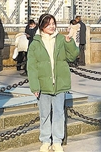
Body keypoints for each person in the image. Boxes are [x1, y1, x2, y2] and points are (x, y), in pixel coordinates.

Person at [27, 13, 79, 152]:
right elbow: (31, 67)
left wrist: (69, 43)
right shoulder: (35, 43)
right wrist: (34, 86)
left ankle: (57, 141)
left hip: (59, 84)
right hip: (43, 85)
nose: (51, 26)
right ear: (41, 26)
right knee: (44, 114)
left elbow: (73, 56)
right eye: (48, 24)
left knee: (59, 113)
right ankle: (45, 140)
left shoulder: (61, 39)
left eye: (53, 23)